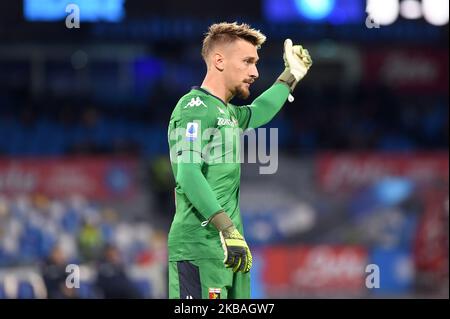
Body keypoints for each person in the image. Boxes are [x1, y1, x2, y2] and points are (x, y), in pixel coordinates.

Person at [167, 22, 312, 299]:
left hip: (231, 249)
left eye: (255, 63)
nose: (255, 72)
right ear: (219, 61)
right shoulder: (193, 107)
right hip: (200, 247)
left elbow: (261, 109)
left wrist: (290, 75)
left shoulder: (228, 113)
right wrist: (227, 228)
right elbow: (188, 174)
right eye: (247, 62)